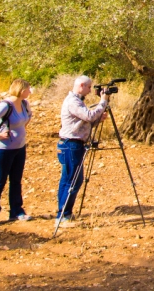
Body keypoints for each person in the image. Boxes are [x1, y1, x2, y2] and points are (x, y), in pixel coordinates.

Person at [56, 75, 109, 224]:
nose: (90, 90)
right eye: (88, 87)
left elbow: (84, 122)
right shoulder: (73, 102)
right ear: (81, 85)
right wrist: (103, 101)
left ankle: (64, 212)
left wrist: (99, 118)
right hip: (71, 144)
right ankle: (63, 214)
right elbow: (89, 116)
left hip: (74, 144)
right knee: (72, 180)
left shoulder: (77, 101)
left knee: (70, 179)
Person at [0, 78, 33, 225]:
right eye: (28, 89)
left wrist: (20, 131)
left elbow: (27, 118)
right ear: (22, 91)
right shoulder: (6, 106)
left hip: (19, 148)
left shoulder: (23, 104)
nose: (30, 92)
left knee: (16, 181)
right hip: (3, 150)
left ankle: (16, 211)